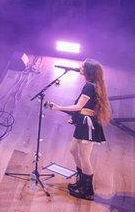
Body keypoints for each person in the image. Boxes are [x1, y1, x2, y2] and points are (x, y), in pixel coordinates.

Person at [46, 59, 111, 200]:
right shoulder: (91, 85)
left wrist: (58, 107)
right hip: (83, 122)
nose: (80, 67)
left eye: (83, 66)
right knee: (73, 150)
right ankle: (81, 182)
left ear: (88, 71)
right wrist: (75, 118)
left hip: (88, 125)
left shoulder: (89, 87)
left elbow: (78, 107)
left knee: (85, 158)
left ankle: (87, 191)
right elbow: (83, 107)